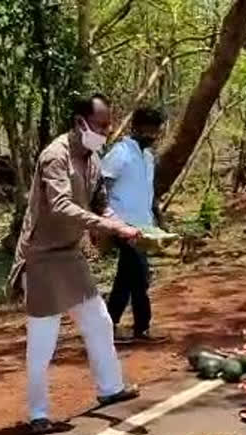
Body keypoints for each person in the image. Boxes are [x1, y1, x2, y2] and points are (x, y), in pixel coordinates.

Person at [7, 94, 141, 434]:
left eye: (108, 125)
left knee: (98, 321)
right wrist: (109, 226)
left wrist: (119, 222)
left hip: (70, 253)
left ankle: (110, 389)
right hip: (42, 257)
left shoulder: (92, 159)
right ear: (80, 122)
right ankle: (38, 414)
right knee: (43, 339)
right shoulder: (56, 156)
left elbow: (101, 203)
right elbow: (61, 206)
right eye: (99, 125)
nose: (105, 131)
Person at [101, 107, 165, 341]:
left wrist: (158, 217)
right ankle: (142, 328)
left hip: (143, 226)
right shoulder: (120, 153)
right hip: (121, 224)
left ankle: (108, 324)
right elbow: (102, 185)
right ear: (137, 128)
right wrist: (105, 218)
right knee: (139, 276)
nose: (154, 136)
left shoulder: (148, 157)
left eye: (156, 131)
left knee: (126, 278)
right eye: (150, 130)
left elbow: (148, 191)